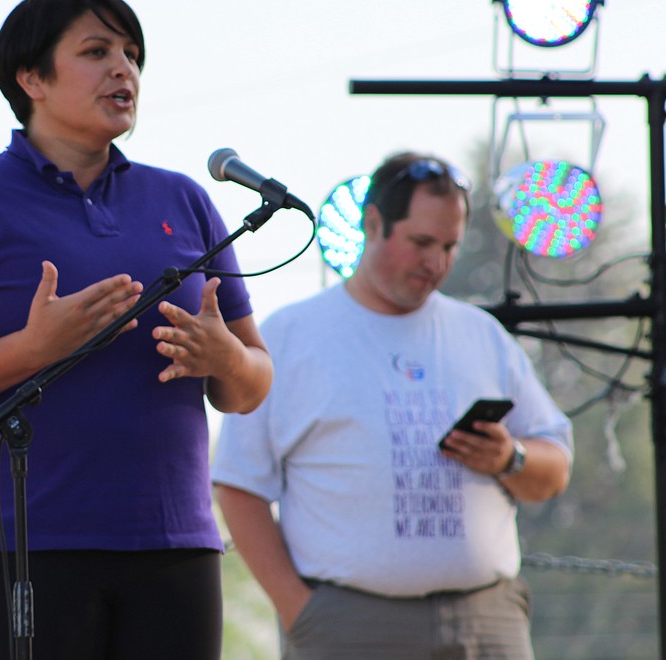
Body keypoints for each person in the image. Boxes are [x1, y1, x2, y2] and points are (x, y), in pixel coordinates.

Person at [0, 0, 273, 660]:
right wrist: (34, 349)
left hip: (174, 546)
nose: (124, 69)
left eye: (132, 53)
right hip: (26, 548)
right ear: (30, 77)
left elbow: (251, 386)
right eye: (96, 51)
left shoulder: (185, 199)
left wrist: (226, 359)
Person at [212, 152, 574, 660]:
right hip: (350, 624)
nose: (437, 262)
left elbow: (555, 469)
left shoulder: (481, 334)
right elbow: (238, 485)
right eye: (422, 242)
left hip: (486, 620)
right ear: (373, 223)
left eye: (450, 245)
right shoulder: (293, 334)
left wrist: (509, 457)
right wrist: (300, 612)